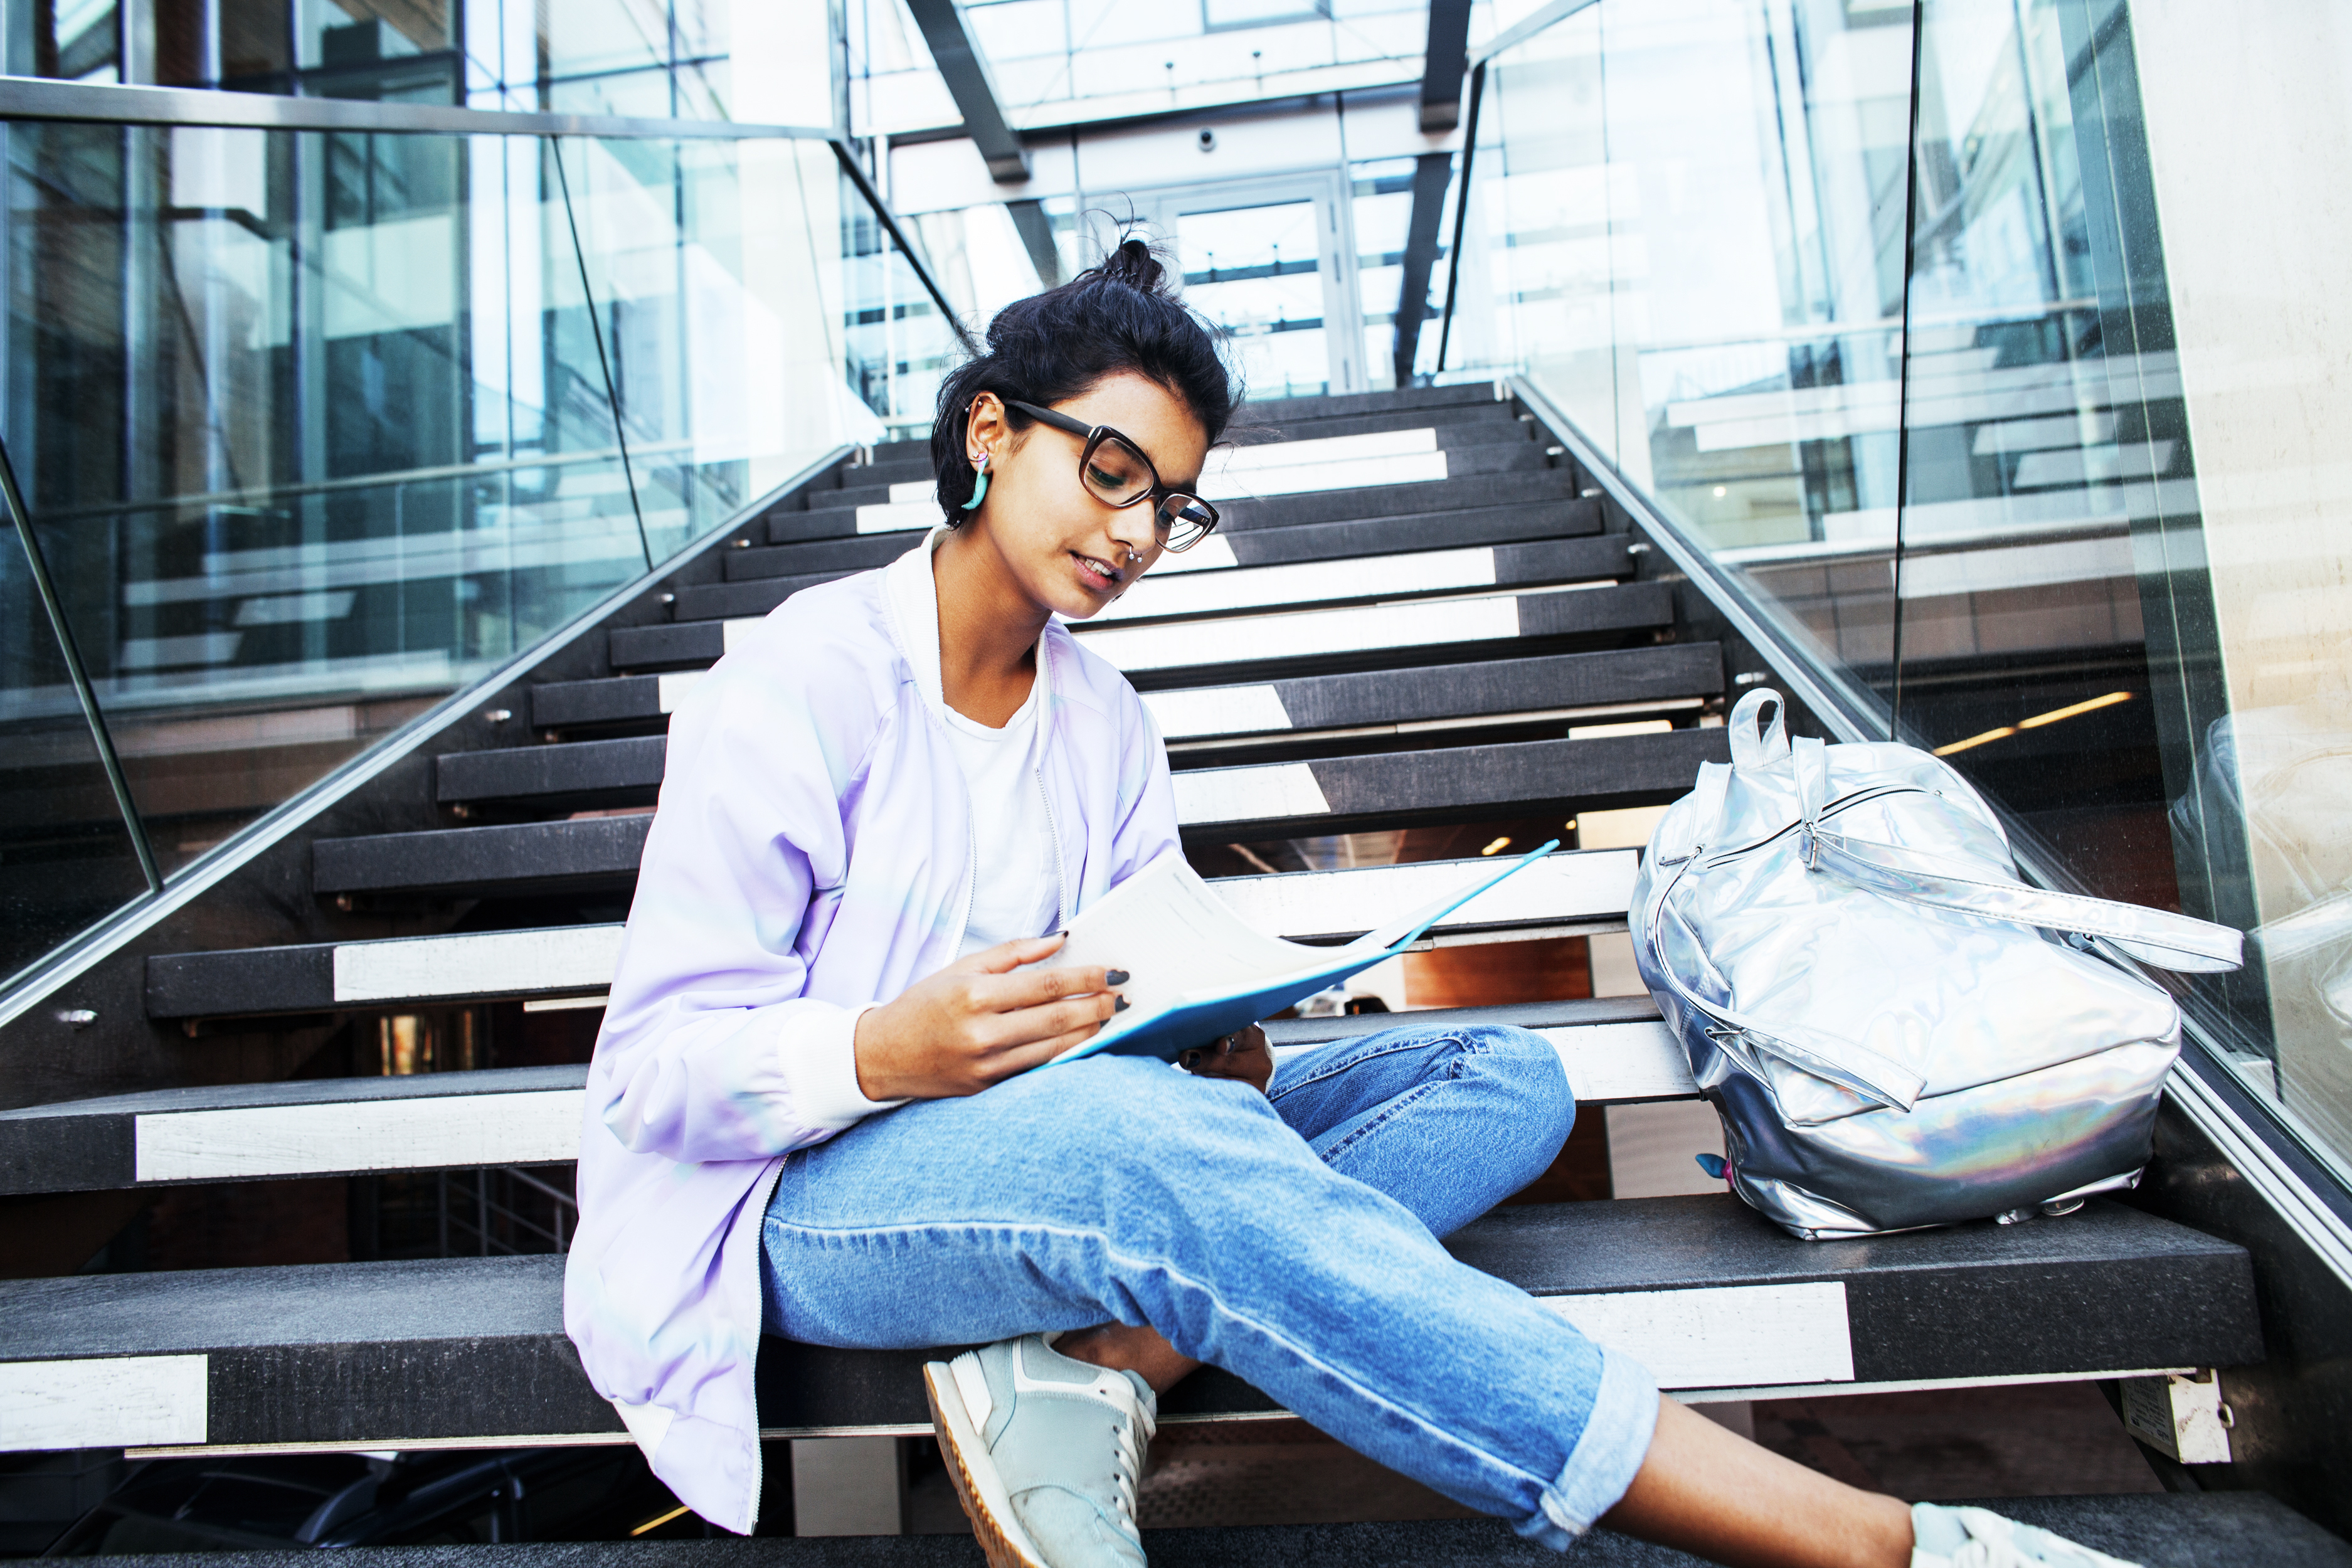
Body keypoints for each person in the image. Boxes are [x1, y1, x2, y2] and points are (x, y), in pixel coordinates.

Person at [564, 241, 2138, 1568]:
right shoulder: (796, 685)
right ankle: (1878, 1543)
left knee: (1496, 1073)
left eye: (1170, 504)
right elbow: (651, 1074)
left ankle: (1115, 1364)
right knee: (1155, 1153)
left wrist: (1206, 1035)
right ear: (990, 430)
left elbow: (1128, 976)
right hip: (806, 1197)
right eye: (1109, 472)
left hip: (1079, 1132)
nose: (1131, 533)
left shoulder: (1102, 716)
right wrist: (887, 1050)